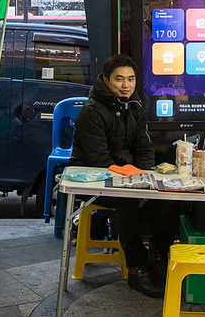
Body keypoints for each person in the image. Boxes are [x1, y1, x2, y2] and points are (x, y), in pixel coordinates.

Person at [70, 54, 179, 298]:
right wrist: (136, 188)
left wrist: (148, 183)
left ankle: (159, 255)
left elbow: (144, 148)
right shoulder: (91, 112)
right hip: (92, 180)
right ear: (106, 80)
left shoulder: (136, 106)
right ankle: (137, 267)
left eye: (130, 79)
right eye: (119, 79)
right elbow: (99, 162)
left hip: (129, 178)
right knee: (126, 200)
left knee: (170, 197)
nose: (125, 85)